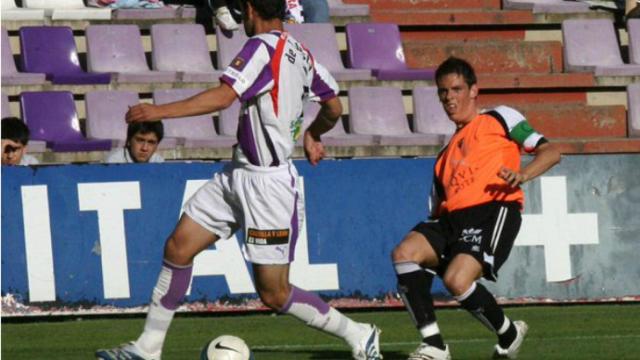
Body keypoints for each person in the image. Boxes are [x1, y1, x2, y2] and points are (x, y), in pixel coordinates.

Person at [95, 1, 382, 359]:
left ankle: (360, 333)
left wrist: (158, 111)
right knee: (179, 247)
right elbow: (334, 105)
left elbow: (224, 97)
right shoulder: (300, 52)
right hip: (237, 174)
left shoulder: (260, 47)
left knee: (274, 294)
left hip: (268, 186)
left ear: (249, 8)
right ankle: (148, 348)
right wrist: (314, 133)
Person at [391, 57, 561, 360]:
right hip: (452, 220)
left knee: (457, 280)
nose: (449, 97)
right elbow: (436, 208)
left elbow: (551, 151)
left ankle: (508, 333)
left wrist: (522, 175)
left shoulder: (499, 118)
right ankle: (435, 345)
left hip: (494, 210)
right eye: (443, 91)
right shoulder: (444, 155)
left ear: (474, 91)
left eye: (456, 89)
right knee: (405, 254)